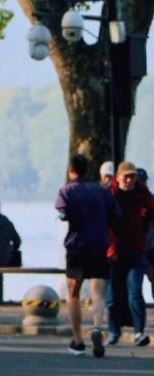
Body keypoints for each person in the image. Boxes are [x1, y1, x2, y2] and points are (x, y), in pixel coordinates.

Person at [57, 152, 120, 357]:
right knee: (98, 294)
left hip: (76, 247)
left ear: (71, 170)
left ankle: (77, 340)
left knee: (73, 294)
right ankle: (97, 327)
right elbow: (116, 217)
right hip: (99, 247)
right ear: (89, 170)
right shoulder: (102, 193)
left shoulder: (67, 191)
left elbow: (63, 213)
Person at [107, 161, 154, 346]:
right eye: (126, 176)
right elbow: (104, 222)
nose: (129, 180)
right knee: (112, 297)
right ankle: (113, 332)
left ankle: (139, 332)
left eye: (132, 176)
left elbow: (151, 213)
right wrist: (110, 248)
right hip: (114, 252)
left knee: (135, 293)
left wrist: (142, 234)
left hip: (135, 250)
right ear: (118, 177)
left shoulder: (142, 194)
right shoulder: (109, 194)